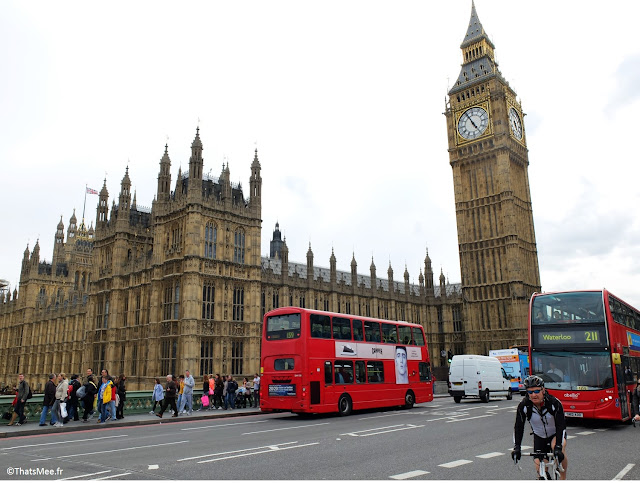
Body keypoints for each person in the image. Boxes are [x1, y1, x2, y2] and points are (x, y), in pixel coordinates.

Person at [512, 375, 568, 480]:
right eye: (530, 392)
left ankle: (563, 478)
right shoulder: (524, 406)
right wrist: (517, 447)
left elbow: (561, 426)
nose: (533, 395)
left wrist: (559, 447)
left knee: (556, 449)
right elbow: (518, 427)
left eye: (536, 391)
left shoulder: (554, 403)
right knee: (540, 470)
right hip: (539, 436)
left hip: (556, 435)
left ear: (543, 390)